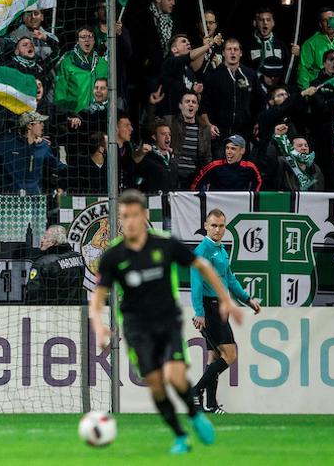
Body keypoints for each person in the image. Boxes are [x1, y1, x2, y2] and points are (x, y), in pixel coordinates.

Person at [90, 190, 237, 454]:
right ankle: (180, 435)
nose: (130, 221)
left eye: (135, 215)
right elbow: (98, 296)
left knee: (175, 376)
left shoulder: (164, 244)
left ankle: (194, 415)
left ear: (144, 216)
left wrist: (225, 298)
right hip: (137, 327)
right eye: (125, 216)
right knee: (157, 384)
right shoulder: (113, 256)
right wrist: (99, 325)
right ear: (120, 220)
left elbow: (201, 267)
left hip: (167, 321)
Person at [190, 209, 261, 413]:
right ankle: (196, 391)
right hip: (211, 308)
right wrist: (199, 312)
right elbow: (195, 284)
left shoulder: (220, 250)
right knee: (230, 355)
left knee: (214, 357)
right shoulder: (201, 251)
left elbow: (229, 279)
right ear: (205, 225)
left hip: (219, 307)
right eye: (214, 225)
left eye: (221, 226)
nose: (218, 230)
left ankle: (211, 405)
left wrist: (247, 300)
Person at [200, 39, 262, 153]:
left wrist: (257, 122)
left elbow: (260, 102)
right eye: (229, 49)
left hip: (243, 132)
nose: (232, 52)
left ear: (241, 53)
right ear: (223, 53)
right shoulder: (213, 76)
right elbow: (203, 106)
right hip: (219, 132)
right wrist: (208, 125)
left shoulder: (250, 74)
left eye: (236, 49)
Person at [0, 111, 66, 195]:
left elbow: (58, 166)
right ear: (29, 125)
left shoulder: (43, 146)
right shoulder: (7, 143)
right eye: (40, 122)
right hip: (10, 199)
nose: (43, 125)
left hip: (35, 199)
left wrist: (73, 173)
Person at [23, 225, 85, 305]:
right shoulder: (78, 258)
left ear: (54, 242)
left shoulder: (43, 263)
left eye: (45, 238)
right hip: (75, 310)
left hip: (51, 313)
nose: (41, 241)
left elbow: (34, 293)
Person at [53, 27, 109, 114]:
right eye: (83, 37)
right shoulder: (67, 62)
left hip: (99, 115)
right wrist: (68, 113)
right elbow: (60, 93)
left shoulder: (103, 64)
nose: (87, 40)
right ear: (77, 41)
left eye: (90, 37)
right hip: (76, 116)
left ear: (94, 41)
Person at [191, 135, 262, 192]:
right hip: (216, 207)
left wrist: (253, 197)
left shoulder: (250, 167)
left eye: (233, 148)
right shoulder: (215, 166)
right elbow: (196, 183)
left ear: (242, 151)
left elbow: (259, 183)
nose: (228, 152)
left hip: (240, 206)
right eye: (227, 148)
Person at [297, 7, 334, 89]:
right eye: (325, 20)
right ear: (320, 24)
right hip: (319, 89)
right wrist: (306, 93)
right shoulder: (310, 43)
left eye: (332, 19)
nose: (329, 23)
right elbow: (303, 70)